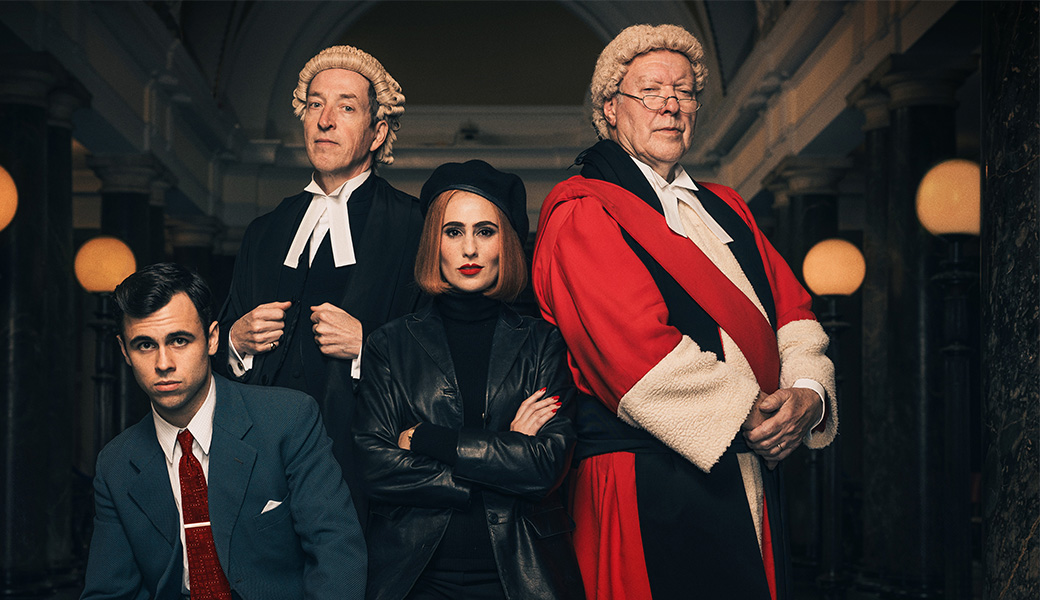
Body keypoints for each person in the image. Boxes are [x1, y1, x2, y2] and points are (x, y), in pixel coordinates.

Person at [530, 24, 838, 600]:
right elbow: (632, 354)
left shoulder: (726, 206)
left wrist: (806, 394)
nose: (670, 104)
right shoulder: (583, 210)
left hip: (748, 466)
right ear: (610, 110)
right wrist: (758, 417)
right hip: (645, 477)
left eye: (684, 91)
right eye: (650, 91)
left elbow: (794, 314)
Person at [354, 160, 584, 600]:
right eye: (453, 231)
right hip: (416, 577)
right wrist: (504, 451)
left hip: (522, 573)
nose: (469, 250)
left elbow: (545, 467)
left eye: (486, 231)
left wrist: (429, 440)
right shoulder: (389, 345)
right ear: (433, 244)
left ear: (507, 244)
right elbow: (375, 466)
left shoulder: (542, 342)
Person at [213, 46, 423, 519]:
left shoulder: (413, 225)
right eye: (314, 104)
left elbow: (442, 355)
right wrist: (235, 342)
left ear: (378, 132)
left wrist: (369, 346)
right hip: (263, 468)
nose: (325, 120)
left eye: (346, 106)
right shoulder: (264, 231)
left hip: (364, 472)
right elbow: (222, 352)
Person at [82, 263, 365, 600]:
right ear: (124, 351)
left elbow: (337, 554)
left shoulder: (288, 420)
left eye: (179, 340)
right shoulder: (116, 464)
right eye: (145, 345)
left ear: (212, 339)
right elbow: (109, 592)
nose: (163, 363)